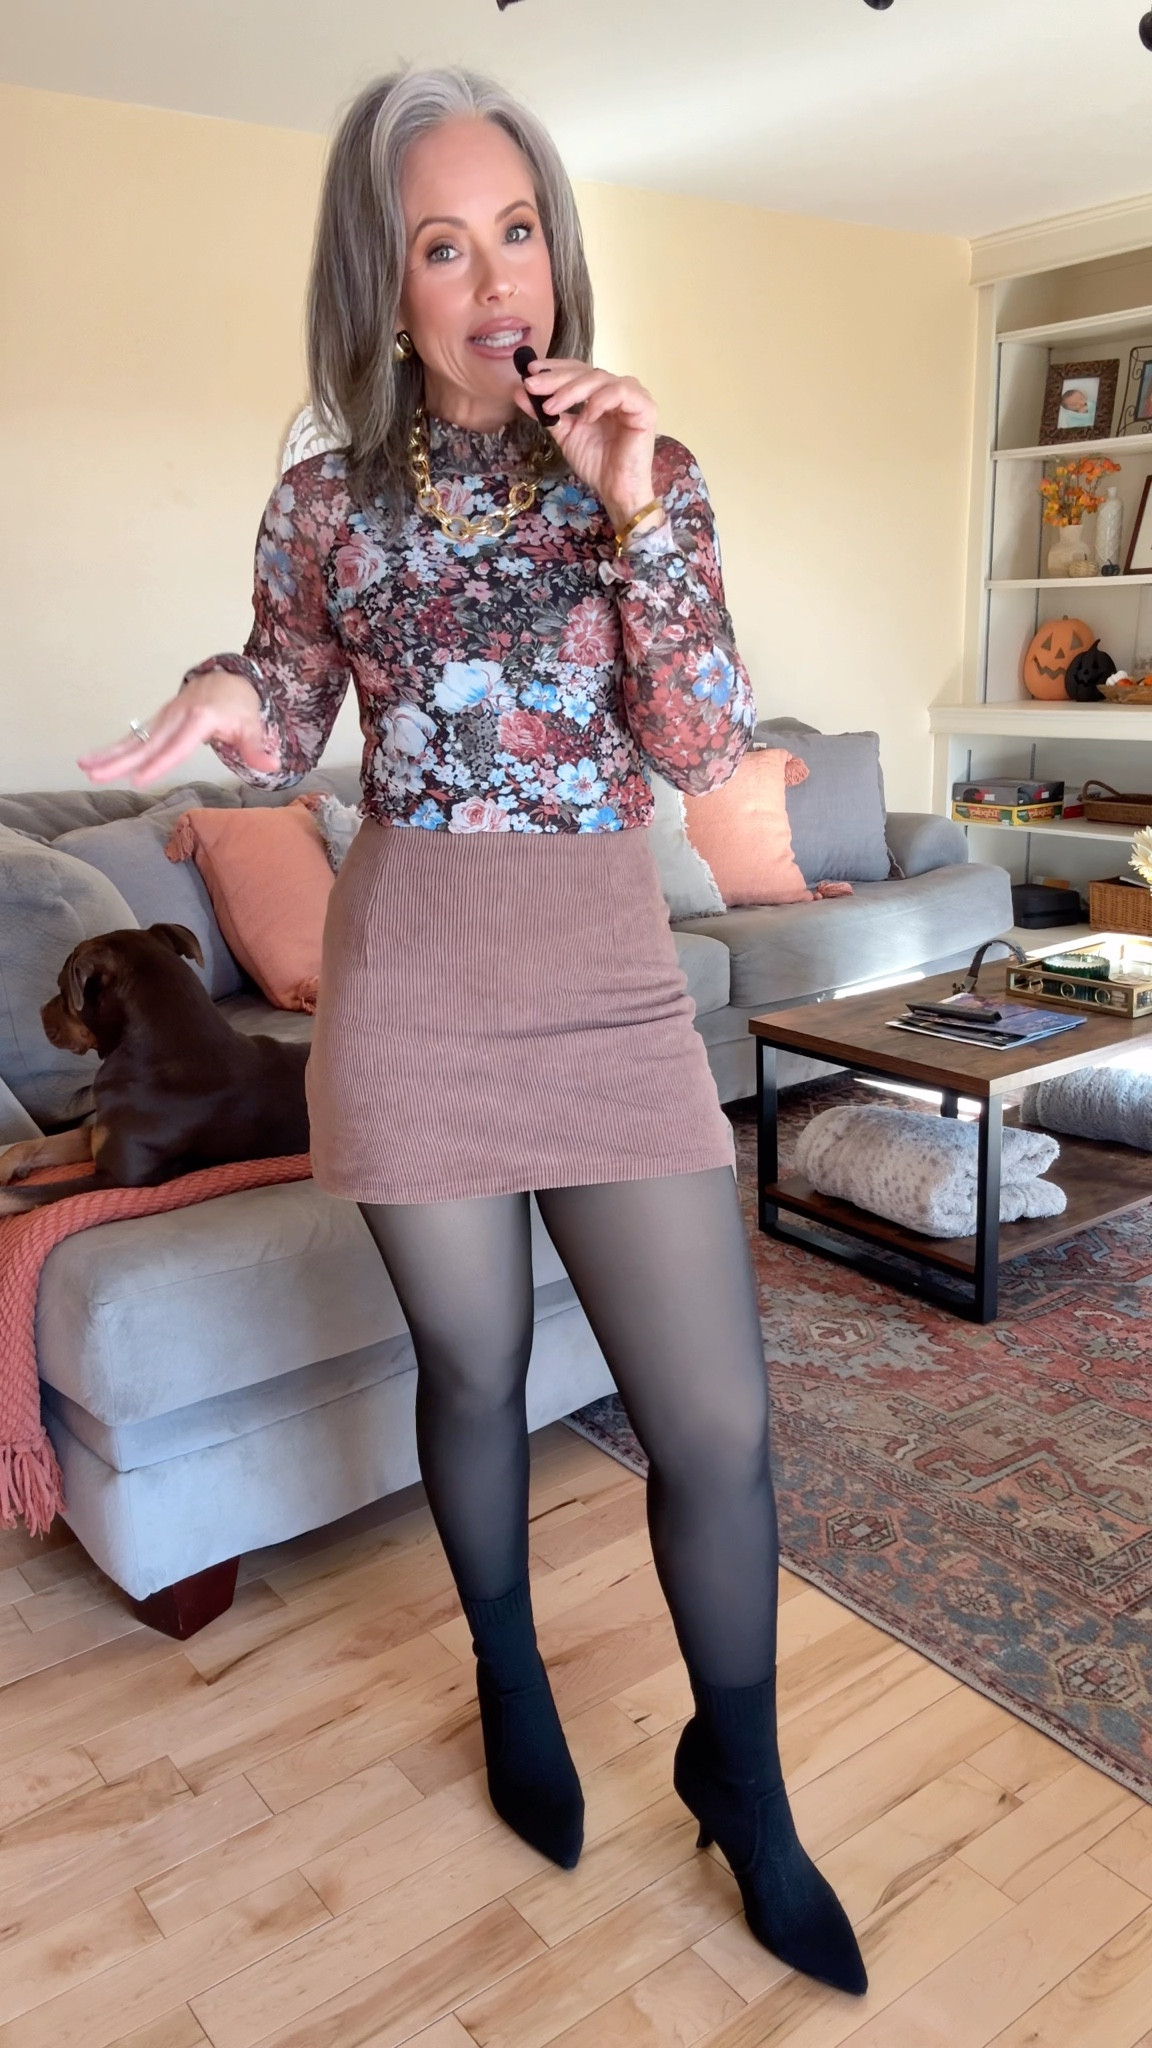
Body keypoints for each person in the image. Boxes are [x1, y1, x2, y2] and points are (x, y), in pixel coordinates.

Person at [78, 68, 866, 1997]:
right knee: (477, 1365)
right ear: (388, 283)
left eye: (518, 231)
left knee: (716, 1422)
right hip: (415, 983)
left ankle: (744, 1783)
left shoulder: (643, 473)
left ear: (556, 252)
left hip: (605, 976)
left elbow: (701, 745)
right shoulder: (328, 500)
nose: (495, 276)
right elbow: (289, 703)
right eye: (445, 245)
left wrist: (636, 511)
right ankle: (511, 1679)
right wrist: (224, 693)